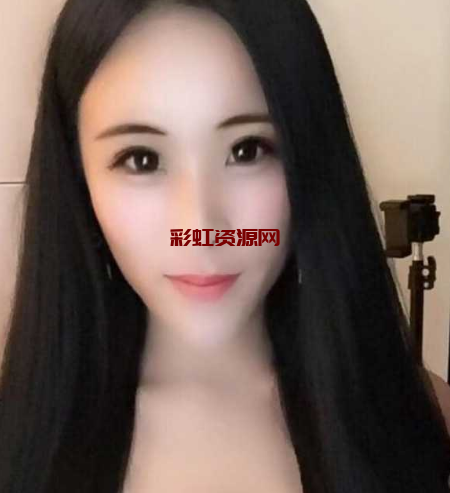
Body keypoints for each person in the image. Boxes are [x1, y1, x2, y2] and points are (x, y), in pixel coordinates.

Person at [1, 0, 449, 492]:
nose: (201, 225)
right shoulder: (19, 438)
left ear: (310, 156)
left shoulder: (419, 419)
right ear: (78, 178)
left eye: (247, 150)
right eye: (142, 159)